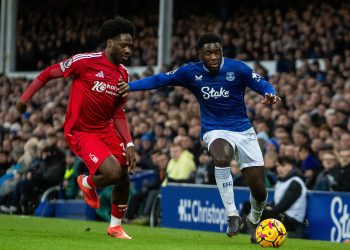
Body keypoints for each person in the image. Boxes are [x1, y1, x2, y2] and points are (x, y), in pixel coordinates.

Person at [118, 33, 281, 242]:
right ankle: (232, 214)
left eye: (217, 52)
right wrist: (131, 86)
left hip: (243, 131)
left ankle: (254, 219)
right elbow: (160, 79)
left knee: (259, 190)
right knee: (221, 157)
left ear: (222, 51)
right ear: (200, 55)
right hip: (215, 129)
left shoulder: (237, 68)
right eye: (208, 53)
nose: (213, 57)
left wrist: (270, 94)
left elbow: (263, 84)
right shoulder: (190, 72)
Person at [16, 16, 136, 239]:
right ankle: (86, 181)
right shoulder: (85, 61)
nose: (128, 50)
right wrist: (25, 98)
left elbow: (118, 113)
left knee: (123, 177)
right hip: (81, 130)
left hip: (105, 129)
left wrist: (129, 143)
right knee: (112, 172)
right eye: (124, 45)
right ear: (110, 42)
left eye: (131, 45)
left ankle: (115, 226)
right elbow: (47, 74)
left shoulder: (123, 74)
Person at [260, 156, 307, 238]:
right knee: (251, 207)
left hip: (292, 220)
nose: (279, 169)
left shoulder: (295, 182)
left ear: (290, 166)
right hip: (282, 215)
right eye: (278, 166)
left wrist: (269, 209)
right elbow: (275, 204)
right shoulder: (280, 181)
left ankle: (259, 235)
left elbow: (285, 204)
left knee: (263, 213)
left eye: (283, 165)